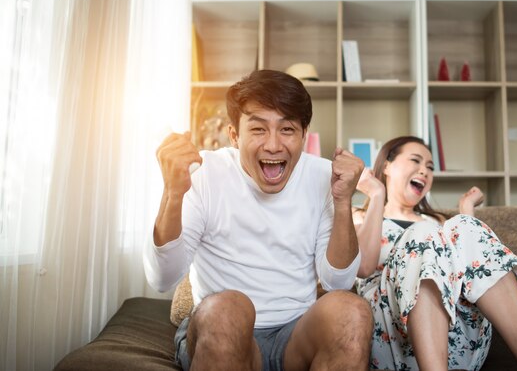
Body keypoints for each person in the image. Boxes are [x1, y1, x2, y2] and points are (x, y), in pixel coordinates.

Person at [144, 69, 373, 371]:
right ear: (235, 135)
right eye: (259, 130)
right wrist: (173, 193)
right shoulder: (204, 172)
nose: (274, 145)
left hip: (295, 336)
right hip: (222, 329)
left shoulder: (323, 177)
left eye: (287, 130)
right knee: (229, 308)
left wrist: (343, 202)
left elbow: (338, 283)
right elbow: (162, 279)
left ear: (304, 135)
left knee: (352, 310)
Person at [353, 135, 517, 371]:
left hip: (458, 343)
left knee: (461, 226)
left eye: (429, 167)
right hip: (390, 336)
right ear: (386, 165)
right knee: (425, 231)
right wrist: (376, 197)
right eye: (415, 161)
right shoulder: (360, 216)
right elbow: (363, 267)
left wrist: (466, 214)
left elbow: (474, 270)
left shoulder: (439, 222)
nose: (424, 171)